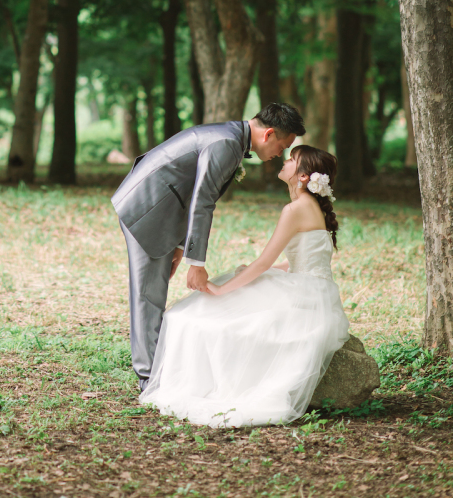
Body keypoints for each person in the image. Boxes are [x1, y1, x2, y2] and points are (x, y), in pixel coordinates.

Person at [140, 144, 349, 427]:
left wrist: (222, 290)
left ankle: (198, 386)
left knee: (197, 314)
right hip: (316, 291)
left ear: (303, 176)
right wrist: (256, 273)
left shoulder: (295, 209)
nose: (285, 162)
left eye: (291, 160)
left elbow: (263, 262)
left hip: (302, 296)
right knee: (229, 293)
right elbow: (301, 260)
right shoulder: (313, 207)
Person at [112, 102, 305, 391]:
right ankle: (148, 378)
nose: (282, 154)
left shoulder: (232, 137)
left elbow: (192, 190)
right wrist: (196, 264)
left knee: (153, 289)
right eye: (283, 145)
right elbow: (203, 200)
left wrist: (179, 244)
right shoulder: (226, 143)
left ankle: (154, 369)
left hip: (164, 208)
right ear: (269, 135)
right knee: (148, 294)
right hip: (147, 206)